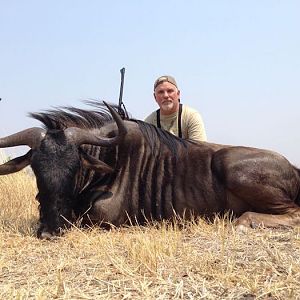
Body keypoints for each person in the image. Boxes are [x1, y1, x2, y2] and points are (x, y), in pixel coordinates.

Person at [144, 75, 207, 142]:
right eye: (161, 92)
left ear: (178, 94)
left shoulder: (191, 116)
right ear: (155, 97)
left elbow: (200, 149)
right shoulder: (148, 123)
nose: (166, 95)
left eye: (170, 91)